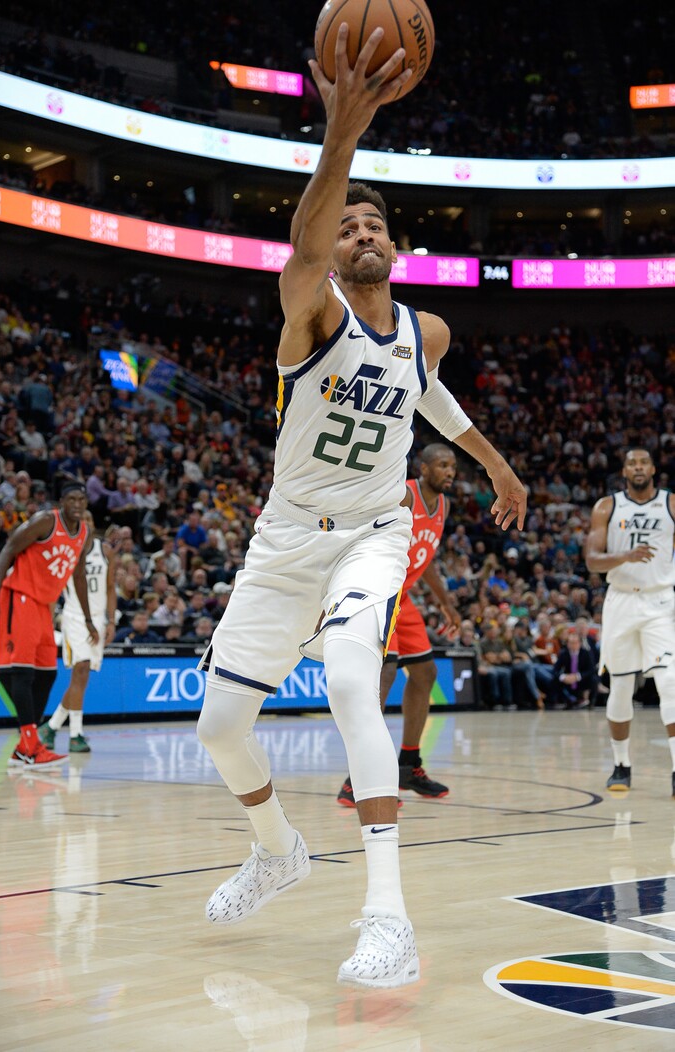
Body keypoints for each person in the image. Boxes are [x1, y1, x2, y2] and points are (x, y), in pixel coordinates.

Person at [196, 26, 526, 990]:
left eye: (375, 224)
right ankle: (276, 851)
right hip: (284, 537)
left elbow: (436, 402)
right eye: (347, 228)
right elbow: (304, 244)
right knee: (219, 728)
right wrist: (340, 132)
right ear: (332, 255)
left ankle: (389, 919)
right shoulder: (313, 311)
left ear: (398, 245)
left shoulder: (429, 331)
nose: (361, 234)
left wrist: (499, 470)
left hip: (373, 536)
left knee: (350, 678)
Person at [337, 443, 461, 807]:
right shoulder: (403, 495)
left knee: (425, 673)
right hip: (379, 591)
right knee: (385, 675)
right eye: (442, 465)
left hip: (402, 597)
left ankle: (408, 766)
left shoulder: (443, 506)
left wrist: (445, 602)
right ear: (423, 468)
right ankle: (358, 778)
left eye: (453, 466)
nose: (450, 472)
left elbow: (426, 557)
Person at [0, 481, 97, 767]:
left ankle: (26, 746)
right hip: (19, 596)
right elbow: (8, 550)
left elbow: (79, 576)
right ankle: (31, 745)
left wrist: (88, 618)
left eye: (81, 500)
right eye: (71, 499)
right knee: (22, 672)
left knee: (47, 674)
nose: (77, 504)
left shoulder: (84, 533)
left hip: (45, 606)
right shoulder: (46, 521)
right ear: (61, 501)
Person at [584, 448, 675, 794]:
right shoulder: (607, 507)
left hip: (659, 600)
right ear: (624, 471)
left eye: (643, 463)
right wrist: (626, 556)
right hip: (621, 601)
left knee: (670, 682)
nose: (638, 467)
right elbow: (592, 560)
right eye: (632, 463)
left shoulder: (670, 504)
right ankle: (621, 766)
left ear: (653, 469)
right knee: (621, 686)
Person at [39, 517, 117, 754]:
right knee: (81, 668)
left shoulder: (105, 551)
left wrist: (111, 621)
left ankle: (51, 727)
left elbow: (110, 588)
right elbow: (53, 589)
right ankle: (75, 734)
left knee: (80, 678)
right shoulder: (66, 551)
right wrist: (47, 621)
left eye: (88, 518)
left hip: (98, 619)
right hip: (74, 617)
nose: (85, 522)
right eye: (81, 519)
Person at [551, 629, 597, 710]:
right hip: (568, 679)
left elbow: (591, 669)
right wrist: (563, 677)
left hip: (581, 679)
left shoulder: (586, 653)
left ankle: (590, 702)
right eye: (571, 643)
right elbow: (555, 670)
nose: (573, 645)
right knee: (554, 680)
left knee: (594, 679)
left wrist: (578, 676)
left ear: (580, 643)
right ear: (567, 644)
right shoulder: (563, 653)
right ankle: (564, 701)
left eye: (575, 643)